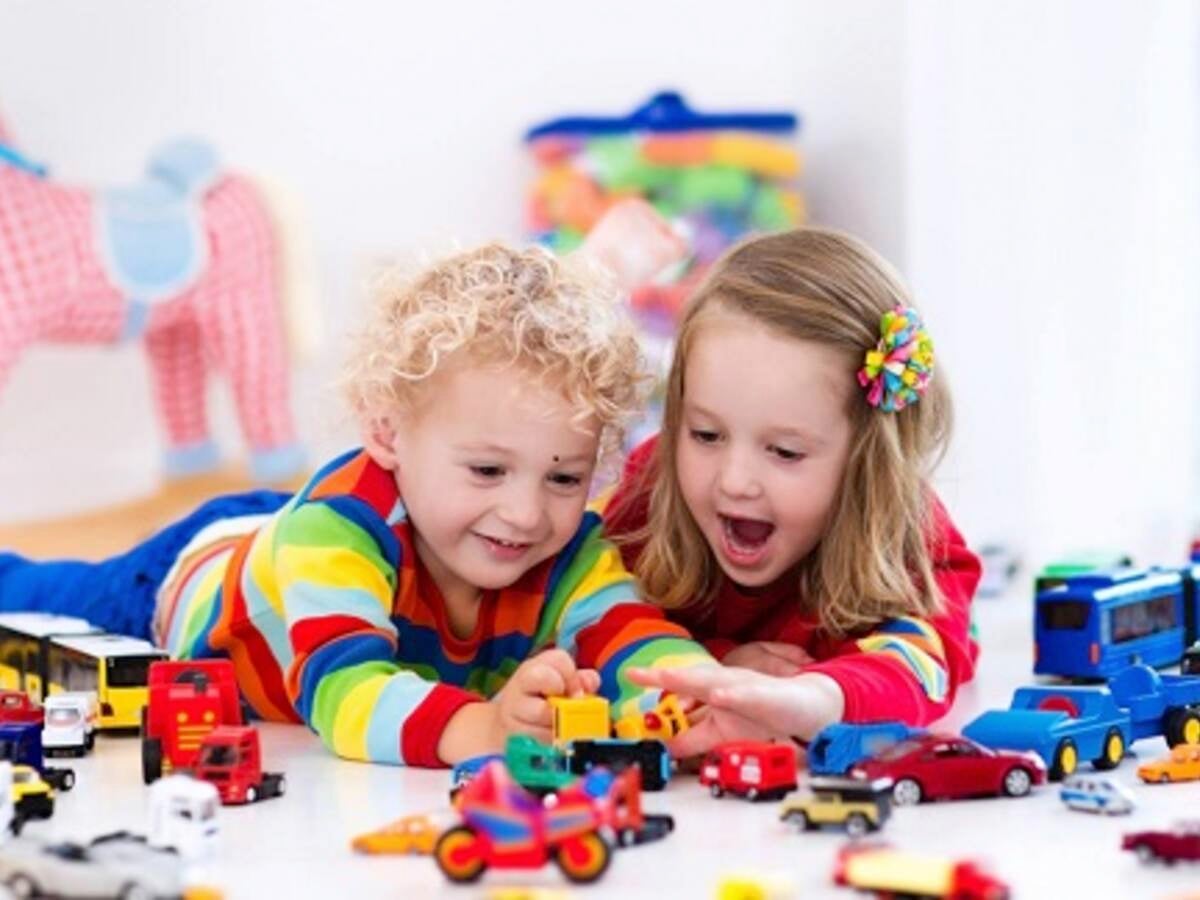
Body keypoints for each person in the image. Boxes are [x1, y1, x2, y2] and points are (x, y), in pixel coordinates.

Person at [0, 241, 711, 766]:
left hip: (288, 535)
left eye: (564, 479)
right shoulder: (335, 536)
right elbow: (346, 696)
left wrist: (696, 697)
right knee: (34, 599)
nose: (526, 514)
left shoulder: (564, 550)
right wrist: (486, 730)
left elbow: (632, 635)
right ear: (387, 433)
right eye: (489, 469)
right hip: (183, 582)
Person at [602, 226, 982, 757]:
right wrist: (707, 665)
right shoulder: (648, 491)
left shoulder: (908, 529)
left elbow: (919, 663)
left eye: (784, 452)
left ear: (866, 456)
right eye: (705, 435)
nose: (734, 480)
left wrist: (815, 698)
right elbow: (584, 625)